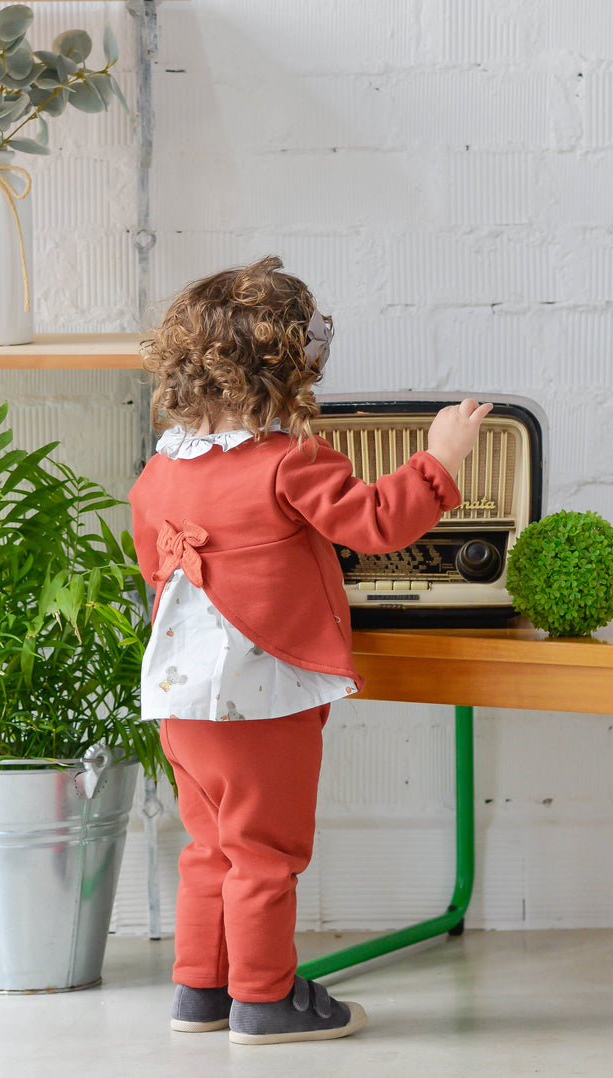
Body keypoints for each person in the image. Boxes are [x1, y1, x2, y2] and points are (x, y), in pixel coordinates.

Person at [129, 255, 492, 1046]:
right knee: (266, 851)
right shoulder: (289, 461)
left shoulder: (158, 473)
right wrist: (442, 455)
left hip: (178, 697)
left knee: (210, 846)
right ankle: (264, 1000)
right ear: (287, 368)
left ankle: (202, 991)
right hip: (261, 696)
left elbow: (154, 570)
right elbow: (378, 524)